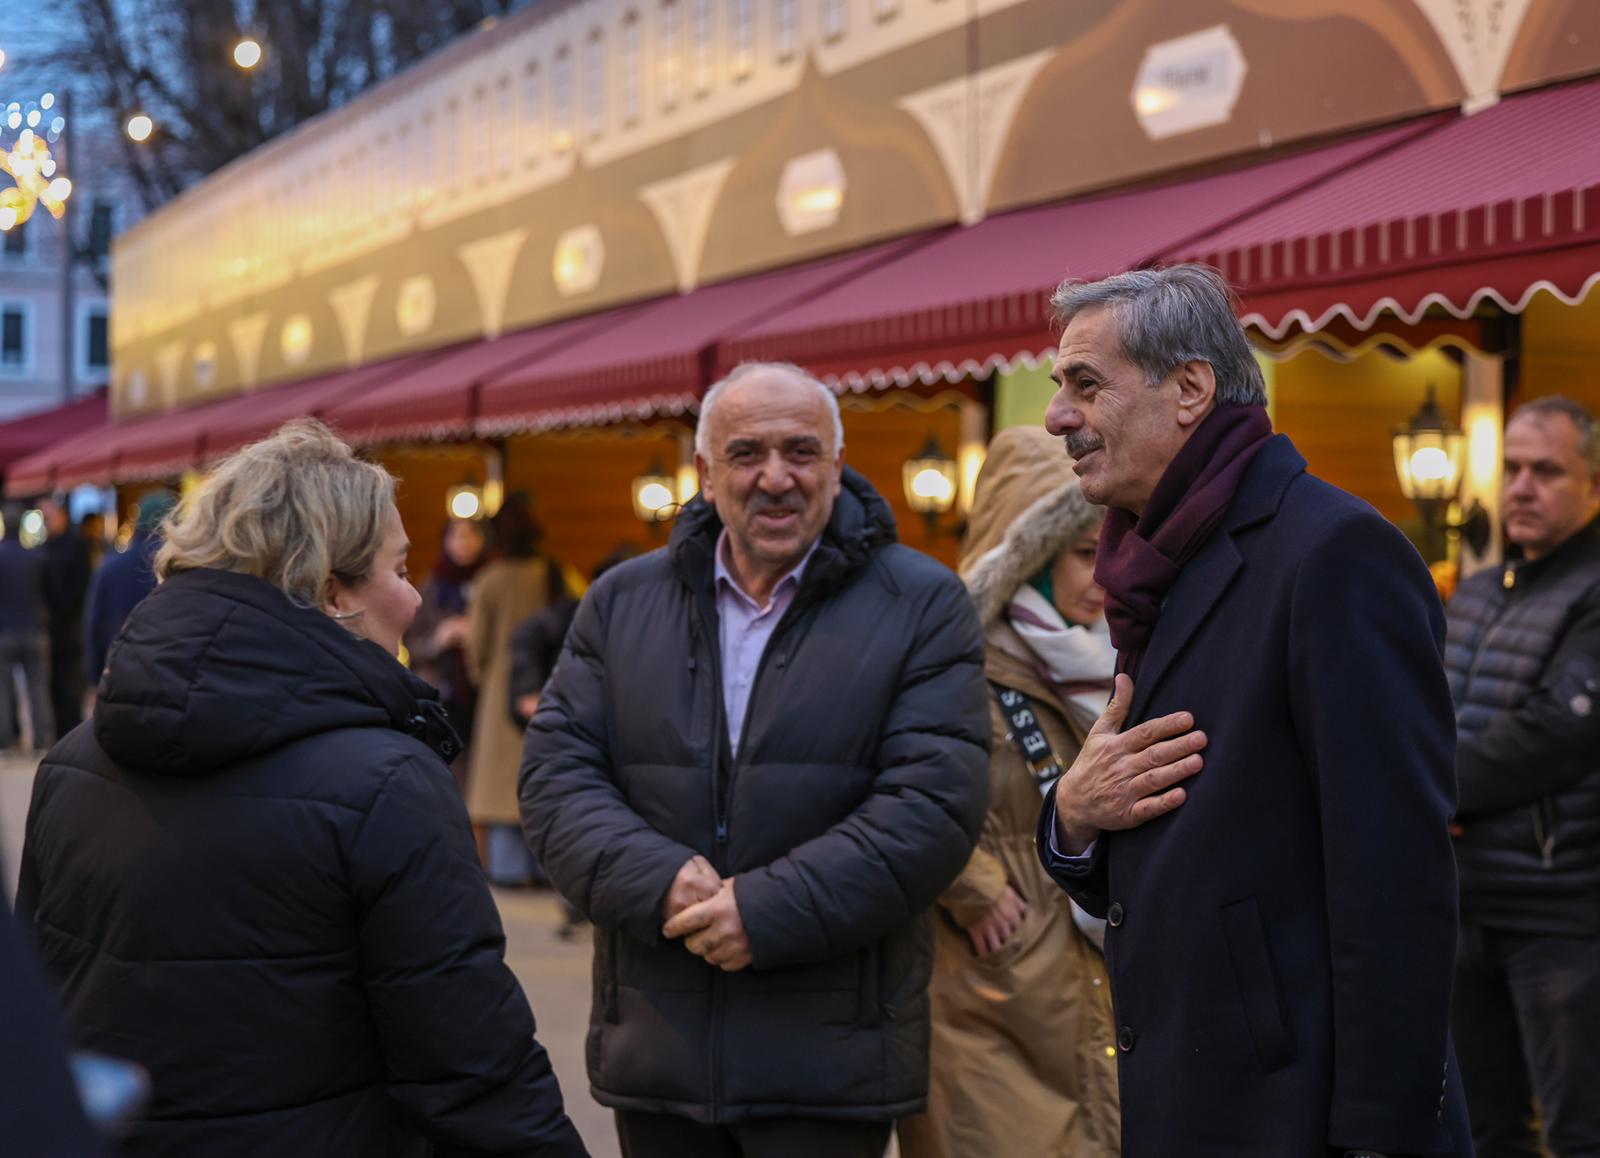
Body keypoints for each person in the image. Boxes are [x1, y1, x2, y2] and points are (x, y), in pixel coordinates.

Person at [15, 420, 587, 1158]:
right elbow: (474, 1070)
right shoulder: (388, 783)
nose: (415, 600)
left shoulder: (69, 764)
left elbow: (43, 1024)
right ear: (330, 592)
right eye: (400, 570)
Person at [1034, 266, 1471, 1157]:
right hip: (1194, 1090)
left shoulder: (1336, 553)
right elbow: (1164, 837)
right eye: (1058, 389)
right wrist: (1071, 820)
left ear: (1190, 388)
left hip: (1297, 1109)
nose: (1057, 417)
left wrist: (1381, 1134)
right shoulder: (1149, 563)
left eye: (1086, 384)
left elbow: (1395, 878)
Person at [521, 362, 990, 1158]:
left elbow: (933, 806)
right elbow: (556, 781)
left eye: (802, 452)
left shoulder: (923, 604)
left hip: (829, 1061)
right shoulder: (621, 604)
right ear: (705, 475)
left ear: (838, 468)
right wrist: (661, 879)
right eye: (747, 454)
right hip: (658, 1052)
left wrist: (762, 914)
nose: (777, 477)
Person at [897, 425, 1119, 1158]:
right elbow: (895, 786)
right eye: (1087, 552)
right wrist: (975, 885)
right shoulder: (949, 659)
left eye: (1120, 547)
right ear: (1030, 553)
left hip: (1096, 975)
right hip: (983, 986)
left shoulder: (1129, 654)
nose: (1109, 573)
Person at [1445, 395, 1600, 1157]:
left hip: (1559, 913)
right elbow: (1425, 716)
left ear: (1594, 487)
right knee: (1484, 1130)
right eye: (1511, 469)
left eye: (1547, 471)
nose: (1522, 487)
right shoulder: (1475, 593)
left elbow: (1557, 732)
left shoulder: (1596, 592)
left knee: (1580, 1132)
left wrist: (1429, 787)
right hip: (1460, 904)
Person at [467, 493, 563, 884]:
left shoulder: (490, 580)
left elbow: (477, 647)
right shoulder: (554, 574)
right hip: (549, 691)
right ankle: (547, 871)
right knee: (543, 781)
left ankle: (507, 873)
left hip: (498, 694)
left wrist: (483, 678)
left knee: (500, 789)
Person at [406, 516, 490, 791]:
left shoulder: (491, 580)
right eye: (457, 536)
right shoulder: (432, 585)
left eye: (470, 536)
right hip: (443, 689)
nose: (463, 543)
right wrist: (438, 639)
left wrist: (474, 633)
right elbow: (411, 640)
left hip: (483, 688)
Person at [82, 489, 175, 687]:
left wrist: (94, 677)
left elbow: (95, 625)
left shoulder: (110, 567)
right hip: (170, 675)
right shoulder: (182, 569)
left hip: (119, 672)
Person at [0, 501, 53, 751]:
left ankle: (6, 739)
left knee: (2, 688)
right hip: (33, 628)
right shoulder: (36, 557)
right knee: (37, 687)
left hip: (5, 631)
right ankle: (40, 740)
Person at [40, 498, 92, 735]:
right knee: (55, 691)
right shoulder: (46, 548)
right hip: (53, 631)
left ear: (61, 515)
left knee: (69, 691)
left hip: (70, 632)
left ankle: (70, 737)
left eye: (48, 517)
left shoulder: (76, 546)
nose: (46, 523)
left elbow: (78, 588)